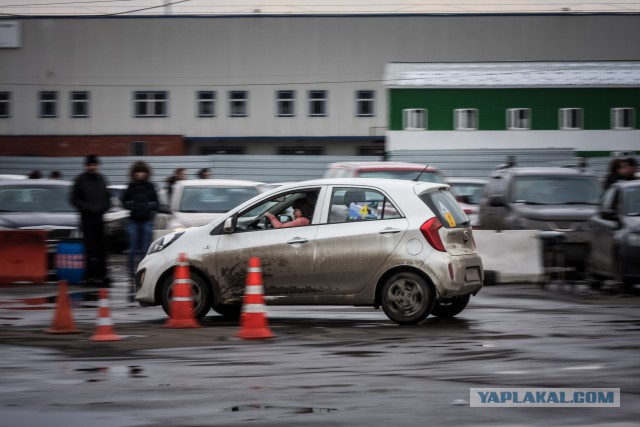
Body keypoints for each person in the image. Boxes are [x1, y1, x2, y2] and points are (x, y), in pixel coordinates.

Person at [70, 154, 111, 287]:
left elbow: (107, 197)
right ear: (86, 166)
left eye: (95, 165)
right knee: (90, 248)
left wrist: (104, 207)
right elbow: (74, 199)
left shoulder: (101, 179)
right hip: (87, 218)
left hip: (100, 217)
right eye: (90, 165)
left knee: (102, 248)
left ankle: (102, 274)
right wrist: (86, 208)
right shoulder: (80, 180)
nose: (93, 167)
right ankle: (90, 275)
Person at [122, 161, 159, 302]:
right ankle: (131, 272)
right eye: (138, 171)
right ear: (134, 173)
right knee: (132, 250)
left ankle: (144, 271)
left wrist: (149, 208)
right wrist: (131, 206)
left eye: (142, 171)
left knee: (144, 250)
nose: (140, 174)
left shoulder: (150, 187)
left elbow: (156, 203)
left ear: (146, 173)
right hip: (133, 221)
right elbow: (124, 201)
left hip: (146, 221)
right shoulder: (131, 187)